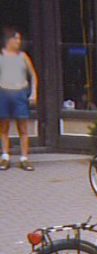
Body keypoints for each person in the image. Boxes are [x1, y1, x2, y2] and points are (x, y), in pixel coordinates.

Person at [0, 27, 38, 171]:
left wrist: (33, 93)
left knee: (23, 127)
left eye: (19, 39)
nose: (18, 42)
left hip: (20, 93)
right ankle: (5, 156)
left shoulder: (23, 56)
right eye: (16, 39)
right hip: (4, 92)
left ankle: (24, 158)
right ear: (8, 40)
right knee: (3, 127)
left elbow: (33, 75)